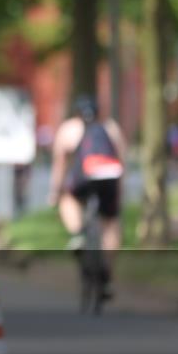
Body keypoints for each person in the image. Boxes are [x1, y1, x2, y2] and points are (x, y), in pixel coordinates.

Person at [48, 95, 126, 297]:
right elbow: (122, 162)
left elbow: (60, 165)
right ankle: (107, 271)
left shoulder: (69, 128)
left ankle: (78, 235)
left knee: (68, 198)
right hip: (110, 176)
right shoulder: (111, 127)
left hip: (84, 176)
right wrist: (120, 192)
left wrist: (56, 193)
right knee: (111, 222)